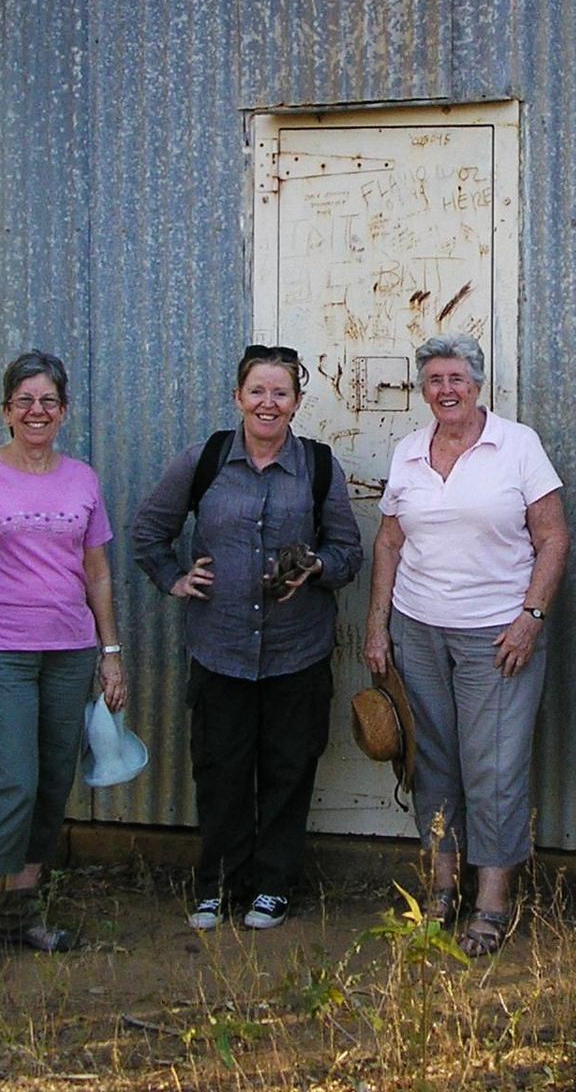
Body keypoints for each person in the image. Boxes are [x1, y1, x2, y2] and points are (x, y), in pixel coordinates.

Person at [130, 344, 362, 932]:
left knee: (288, 770)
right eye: (257, 391)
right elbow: (148, 533)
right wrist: (174, 578)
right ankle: (217, 885)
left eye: (280, 393)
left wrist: (317, 568)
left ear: (297, 403)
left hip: (297, 652)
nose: (268, 403)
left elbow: (348, 552)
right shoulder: (203, 460)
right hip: (221, 649)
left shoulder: (320, 466)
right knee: (221, 770)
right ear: (238, 397)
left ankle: (273, 886)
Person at [363, 334, 568, 958]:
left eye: (456, 378)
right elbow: (390, 543)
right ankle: (442, 889)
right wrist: (377, 625)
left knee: (494, 768)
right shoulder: (408, 452)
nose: (445, 390)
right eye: (434, 380)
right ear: (423, 390)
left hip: (496, 634)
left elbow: (554, 538)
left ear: (478, 385)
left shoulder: (518, 446)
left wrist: (531, 617)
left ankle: (493, 900)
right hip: (418, 630)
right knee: (432, 761)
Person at [0, 350, 128, 981]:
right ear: (7, 409)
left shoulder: (82, 480)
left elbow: (96, 570)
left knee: (49, 784)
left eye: (48, 402)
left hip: (69, 651)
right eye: (25, 401)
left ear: (63, 411)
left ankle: (22, 911)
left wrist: (111, 652)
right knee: (11, 781)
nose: (36, 411)